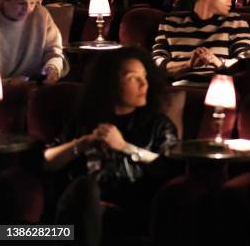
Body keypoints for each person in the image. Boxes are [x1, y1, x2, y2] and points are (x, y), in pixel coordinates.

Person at [45, 47, 177, 245]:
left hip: (127, 214)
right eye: (133, 77)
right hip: (76, 213)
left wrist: (124, 147)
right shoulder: (84, 121)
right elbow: (45, 161)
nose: (144, 84)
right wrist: (82, 143)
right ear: (110, 83)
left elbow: (170, 167)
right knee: (10, 232)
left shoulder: (159, 125)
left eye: (145, 76)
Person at [152, 0, 250, 87]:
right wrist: (189, 65)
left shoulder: (235, 22)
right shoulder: (170, 23)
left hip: (219, 91)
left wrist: (216, 62)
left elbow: (245, 62)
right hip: (178, 90)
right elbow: (156, 64)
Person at [0, 0, 68, 83]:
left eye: (32, 3)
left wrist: (52, 68)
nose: (28, 9)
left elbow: (54, 52)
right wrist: (9, 83)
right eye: (22, 3)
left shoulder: (40, 15)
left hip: (34, 88)